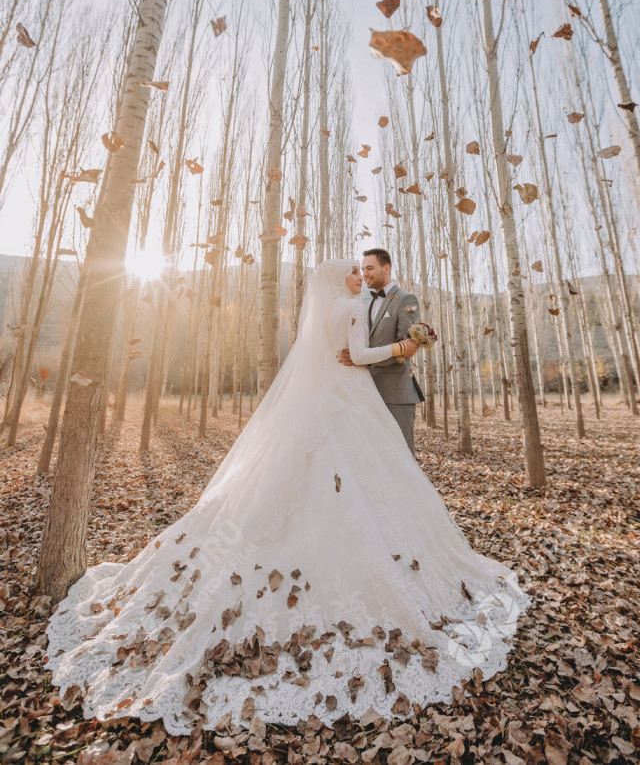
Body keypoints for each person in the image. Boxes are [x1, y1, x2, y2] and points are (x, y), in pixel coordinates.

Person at [43, 259, 530, 735]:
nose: (360, 276)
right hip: (352, 396)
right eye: (354, 272)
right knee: (369, 478)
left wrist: (392, 343)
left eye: (364, 271)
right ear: (340, 281)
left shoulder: (326, 310)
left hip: (325, 397)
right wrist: (403, 344)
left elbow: (335, 353)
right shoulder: (353, 307)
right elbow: (359, 357)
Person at [338, 248, 424, 454]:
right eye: (362, 269)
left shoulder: (406, 300)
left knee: (401, 457)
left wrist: (361, 358)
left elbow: (406, 349)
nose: (365, 273)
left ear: (387, 268)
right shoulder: (365, 303)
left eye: (369, 268)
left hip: (396, 394)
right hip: (368, 392)